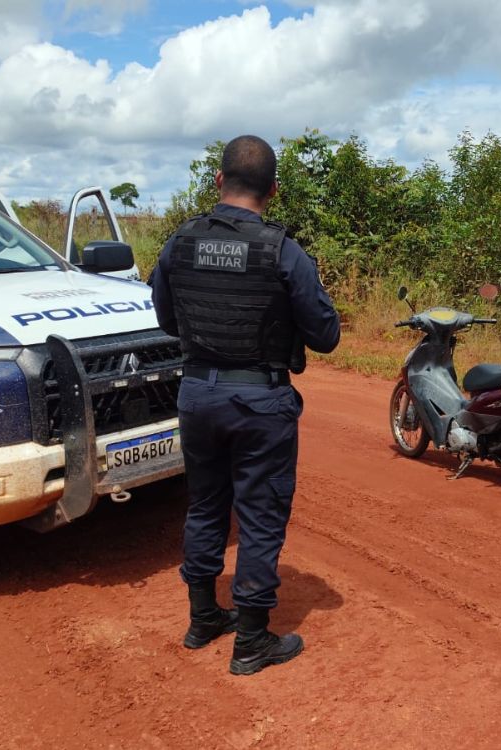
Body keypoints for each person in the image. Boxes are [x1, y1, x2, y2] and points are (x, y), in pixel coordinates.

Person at [150, 135, 340, 674]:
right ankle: (252, 641)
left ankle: (203, 617)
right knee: (259, 513)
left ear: (218, 180)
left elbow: (166, 318)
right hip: (260, 401)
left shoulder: (179, 242)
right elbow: (326, 336)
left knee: (206, 504)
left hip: (198, 395)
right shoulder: (283, 251)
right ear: (273, 190)